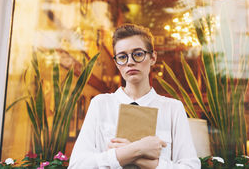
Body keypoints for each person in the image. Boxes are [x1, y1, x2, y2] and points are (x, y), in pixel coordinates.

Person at [68, 24, 200, 168]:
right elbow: (77, 165)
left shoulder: (173, 108)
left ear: (153, 57)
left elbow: (191, 167)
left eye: (137, 54)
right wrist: (140, 149)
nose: (130, 62)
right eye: (122, 57)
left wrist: (134, 156)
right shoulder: (100, 104)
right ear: (116, 63)